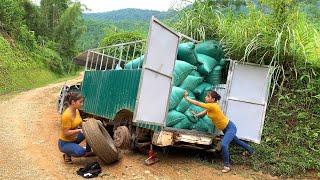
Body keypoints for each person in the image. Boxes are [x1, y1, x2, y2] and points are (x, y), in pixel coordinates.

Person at [184, 90, 254, 173]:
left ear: (213, 99)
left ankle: (227, 166)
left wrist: (186, 97)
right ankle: (250, 150)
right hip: (226, 129)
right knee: (236, 141)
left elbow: (197, 103)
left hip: (230, 127)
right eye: (206, 96)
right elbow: (205, 112)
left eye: (208, 96)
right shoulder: (211, 106)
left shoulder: (213, 106)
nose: (205, 97)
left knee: (224, 144)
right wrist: (197, 115)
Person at [58, 92, 93, 164]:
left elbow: (80, 123)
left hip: (74, 138)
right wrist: (78, 130)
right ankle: (67, 154)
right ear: (73, 102)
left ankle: (88, 151)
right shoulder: (66, 116)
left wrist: (88, 126)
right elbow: (65, 133)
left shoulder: (76, 111)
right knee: (80, 152)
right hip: (65, 143)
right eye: (80, 102)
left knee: (89, 131)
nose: (82, 104)